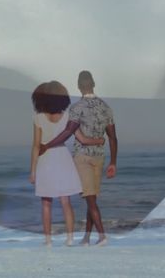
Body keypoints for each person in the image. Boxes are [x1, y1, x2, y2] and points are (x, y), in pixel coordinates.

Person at [38, 70, 117, 245]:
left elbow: (68, 132)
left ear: (79, 86)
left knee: (90, 199)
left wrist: (48, 145)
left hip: (83, 157)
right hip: (99, 157)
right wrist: (113, 162)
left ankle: (102, 236)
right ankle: (87, 238)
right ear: (93, 84)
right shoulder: (106, 107)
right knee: (92, 198)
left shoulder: (77, 108)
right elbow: (113, 137)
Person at [29, 81, 103, 246]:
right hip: (62, 157)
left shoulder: (38, 118)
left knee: (46, 203)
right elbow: (82, 139)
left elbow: (36, 146)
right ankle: (69, 239)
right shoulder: (69, 116)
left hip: (45, 159)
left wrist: (33, 171)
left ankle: (48, 240)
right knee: (65, 201)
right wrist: (99, 140)